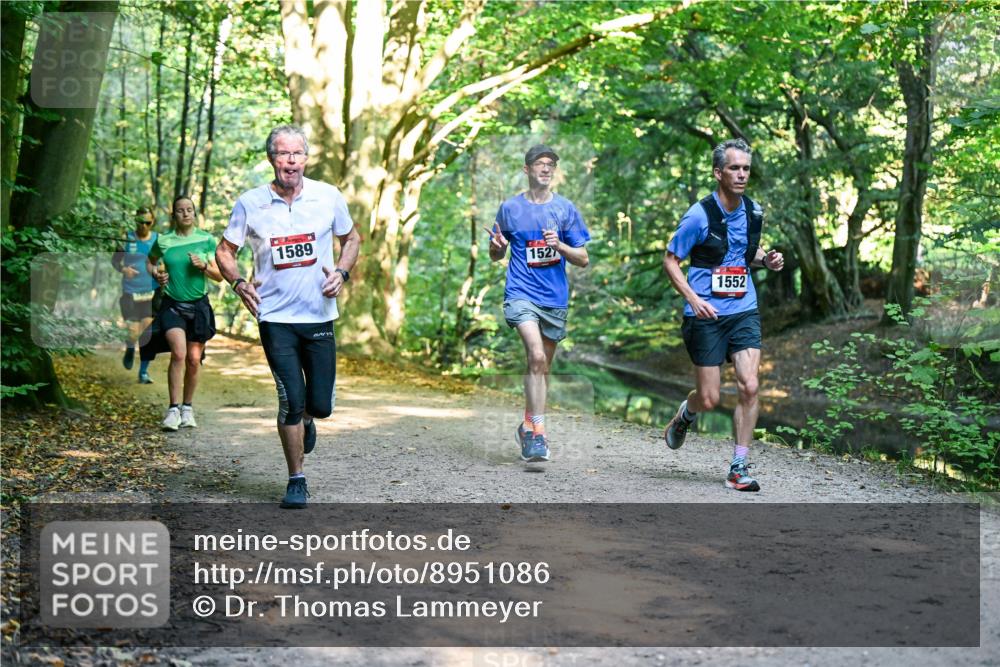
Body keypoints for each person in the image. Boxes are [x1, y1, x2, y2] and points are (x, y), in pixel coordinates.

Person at [216, 125, 360, 510]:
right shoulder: (250, 202)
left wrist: (342, 272)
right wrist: (238, 283)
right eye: (283, 154)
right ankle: (297, 479)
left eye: (297, 153)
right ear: (271, 159)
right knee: (290, 399)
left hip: (318, 315)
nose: (290, 161)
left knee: (320, 404)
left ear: (306, 158)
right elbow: (225, 250)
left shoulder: (328, 196)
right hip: (275, 317)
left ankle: (309, 420)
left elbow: (352, 239)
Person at [661, 138, 785, 492]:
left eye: (746, 168)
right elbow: (671, 260)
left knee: (750, 385)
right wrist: (694, 299)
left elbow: (746, 252)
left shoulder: (753, 212)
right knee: (709, 398)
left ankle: (738, 466)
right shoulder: (698, 215)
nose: (742, 174)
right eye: (734, 168)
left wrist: (767, 260)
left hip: (743, 308)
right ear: (719, 173)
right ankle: (686, 414)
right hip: (705, 314)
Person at [488, 144, 590, 464]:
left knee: (542, 367)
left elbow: (583, 258)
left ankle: (527, 424)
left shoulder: (566, 209)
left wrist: (560, 246)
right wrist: (497, 247)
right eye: (539, 163)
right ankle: (538, 434)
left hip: (554, 299)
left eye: (550, 164)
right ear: (527, 169)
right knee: (535, 355)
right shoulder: (510, 209)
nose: (546, 168)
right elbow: (495, 254)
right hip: (521, 293)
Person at [143, 195, 223, 431]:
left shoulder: (206, 240)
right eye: (180, 210)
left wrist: (204, 266)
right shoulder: (164, 240)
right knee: (178, 353)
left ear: (194, 213)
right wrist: (156, 274)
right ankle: (173, 410)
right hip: (172, 305)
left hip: (198, 306)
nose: (186, 213)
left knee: (194, 360)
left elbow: (219, 276)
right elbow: (150, 261)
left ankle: (187, 408)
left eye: (189, 209)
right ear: (174, 215)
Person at [112, 206, 159, 383]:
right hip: (130, 291)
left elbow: (163, 261)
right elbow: (115, 261)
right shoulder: (127, 238)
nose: (144, 226)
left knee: (148, 333)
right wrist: (124, 269)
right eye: (141, 222)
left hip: (150, 293)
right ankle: (130, 347)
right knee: (133, 332)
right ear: (135, 221)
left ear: (152, 222)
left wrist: (161, 270)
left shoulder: (158, 240)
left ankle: (143, 372)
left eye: (148, 222)